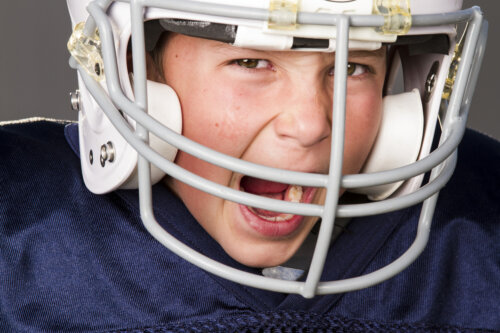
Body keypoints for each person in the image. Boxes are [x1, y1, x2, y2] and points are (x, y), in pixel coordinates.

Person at [1, 0, 499, 331]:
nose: (309, 124)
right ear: (137, 75)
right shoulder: (20, 234)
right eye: (251, 62)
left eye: (352, 67)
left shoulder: (479, 238)